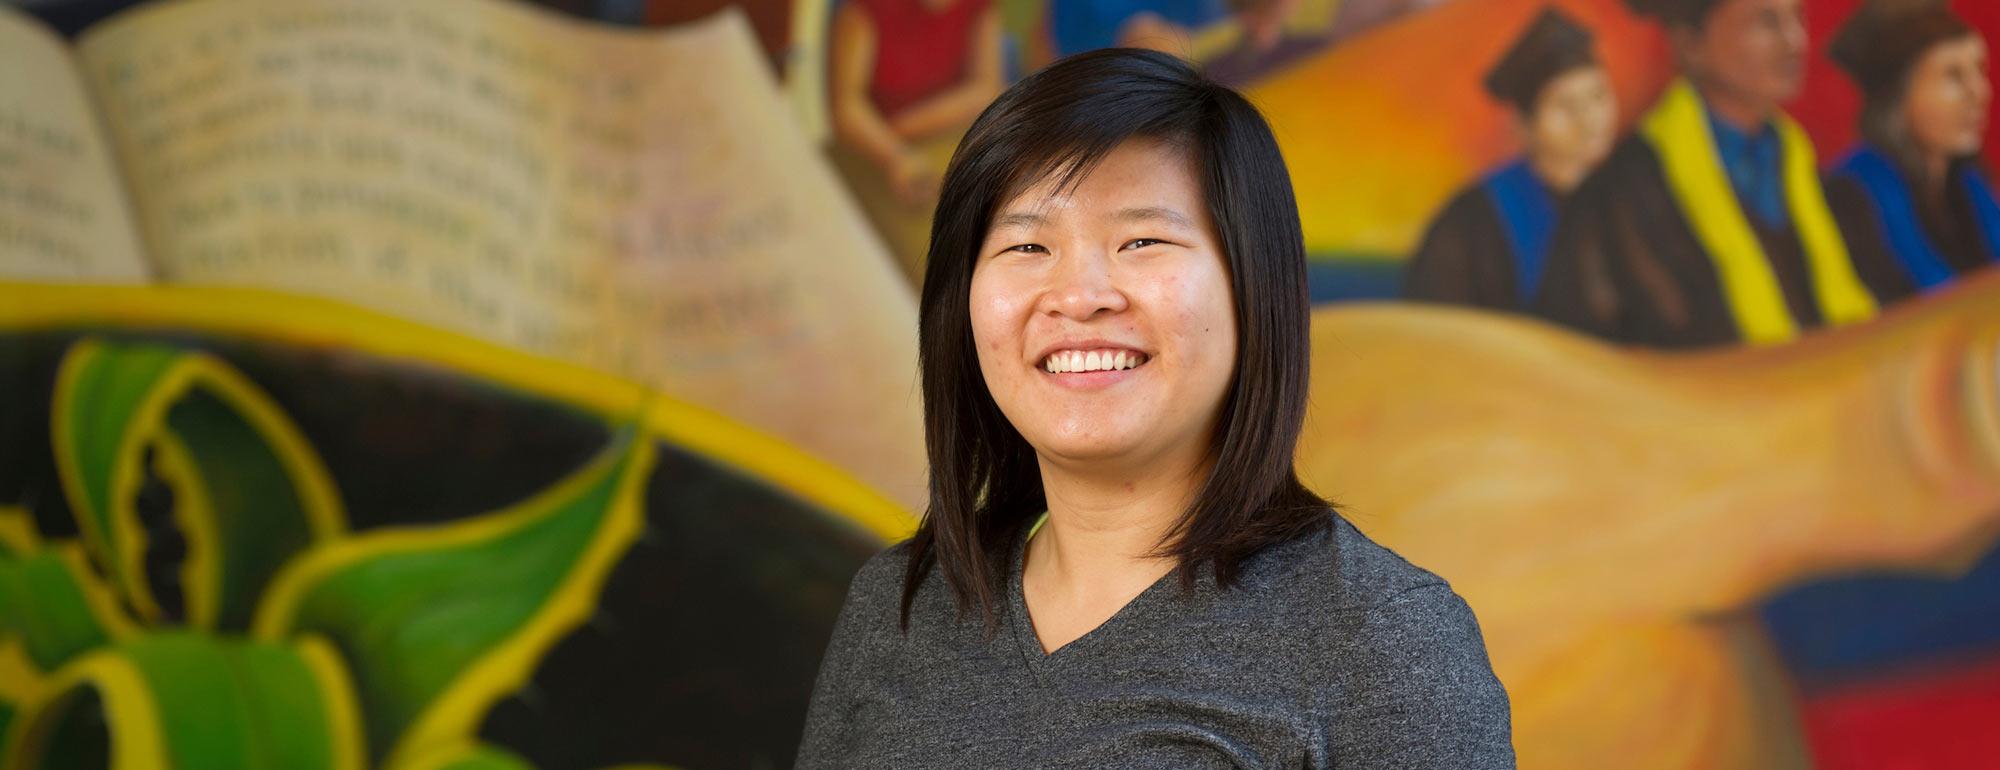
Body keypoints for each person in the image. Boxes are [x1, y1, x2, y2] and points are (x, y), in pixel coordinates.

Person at [794, 48, 1514, 768]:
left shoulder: (1387, 641)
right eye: (1026, 244)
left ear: (1252, 287)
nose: (1079, 296)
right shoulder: (898, 605)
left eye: (1141, 240)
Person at [1531, 0, 1879, 348]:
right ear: (1690, 46)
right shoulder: (1620, 194)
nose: (1795, 40)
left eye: (1797, 18)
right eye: (1765, 22)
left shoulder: (1807, 172)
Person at [1404, 8, 1617, 310]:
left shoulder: (1632, 195)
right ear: (1524, 125)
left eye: (1597, 97)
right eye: (1565, 105)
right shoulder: (1474, 220)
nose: (1589, 120)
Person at [1825, 0, 1997, 305]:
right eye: (1953, 76)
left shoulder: (1966, 184)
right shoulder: (1853, 191)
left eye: (1979, 70)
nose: (1979, 92)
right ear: (1898, 97)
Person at [827, 0, 1005, 283]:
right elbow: (847, 110)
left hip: (933, 138)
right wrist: (895, 155)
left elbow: (985, 88)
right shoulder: (863, 11)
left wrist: (901, 131)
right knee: (932, 258)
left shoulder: (979, 6)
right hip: (869, 153)